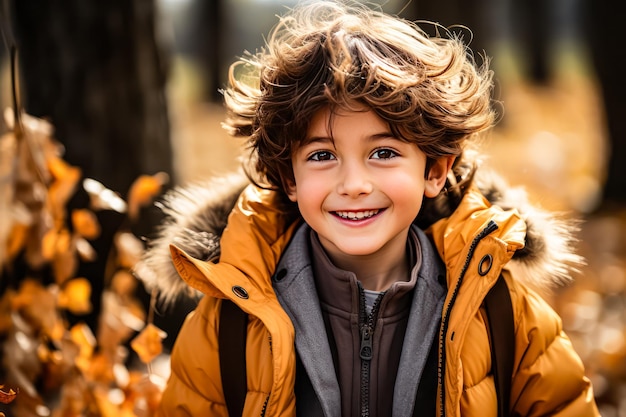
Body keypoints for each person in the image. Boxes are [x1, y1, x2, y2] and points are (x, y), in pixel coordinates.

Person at [137, 1, 600, 416]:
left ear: (435, 169)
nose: (354, 185)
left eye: (383, 152)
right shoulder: (232, 320)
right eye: (322, 155)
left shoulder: (501, 309)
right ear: (289, 178)